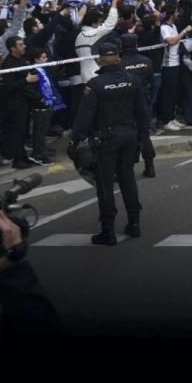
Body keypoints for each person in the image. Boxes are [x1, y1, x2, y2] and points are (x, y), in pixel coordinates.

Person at [69, 35, 150, 246]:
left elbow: (84, 116)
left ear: (100, 60)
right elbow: (142, 112)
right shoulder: (133, 80)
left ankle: (108, 231)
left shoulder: (95, 85)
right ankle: (134, 224)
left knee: (105, 186)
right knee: (127, 179)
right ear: (118, 58)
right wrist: (144, 137)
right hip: (130, 136)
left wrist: (75, 141)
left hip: (105, 140)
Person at [0, 36, 40, 170]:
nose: (24, 46)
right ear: (13, 48)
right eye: (20, 45)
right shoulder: (9, 64)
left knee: (23, 131)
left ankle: (23, 156)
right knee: (16, 132)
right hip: (14, 103)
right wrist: (26, 81)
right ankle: (17, 158)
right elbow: (8, 86)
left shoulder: (22, 60)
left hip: (24, 101)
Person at [118, 33, 156, 177]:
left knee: (125, 135)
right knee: (144, 134)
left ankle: (126, 168)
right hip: (143, 101)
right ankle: (150, 166)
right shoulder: (146, 61)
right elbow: (152, 83)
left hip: (125, 104)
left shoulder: (119, 63)